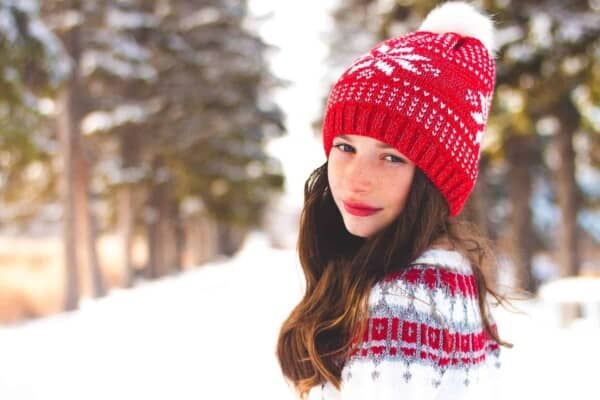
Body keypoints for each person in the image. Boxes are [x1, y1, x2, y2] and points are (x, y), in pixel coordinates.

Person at [276, 1, 513, 399]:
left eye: (391, 157)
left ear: (436, 180)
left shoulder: (400, 304)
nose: (356, 179)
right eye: (345, 147)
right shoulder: (453, 280)